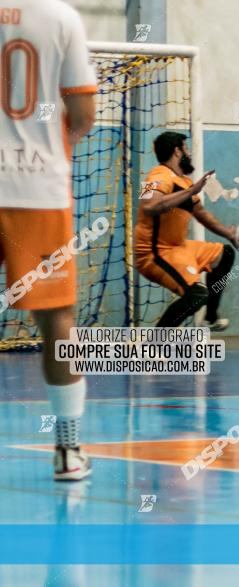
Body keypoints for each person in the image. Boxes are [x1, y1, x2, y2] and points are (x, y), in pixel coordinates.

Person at [0, 0, 97, 480]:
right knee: (57, 319)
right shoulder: (61, 17)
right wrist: (46, 153)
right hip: (38, 189)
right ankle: (68, 449)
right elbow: (83, 113)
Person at [135, 132, 237, 329]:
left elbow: (201, 213)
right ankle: (153, 346)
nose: (189, 153)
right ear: (177, 151)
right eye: (186, 148)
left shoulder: (184, 183)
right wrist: (191, 191)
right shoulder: (155, 176)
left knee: (225, 254)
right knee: (197, 295)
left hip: (178, 248)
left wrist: (229, 234)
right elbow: (148, 206)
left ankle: (210, 319)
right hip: (154, 253)